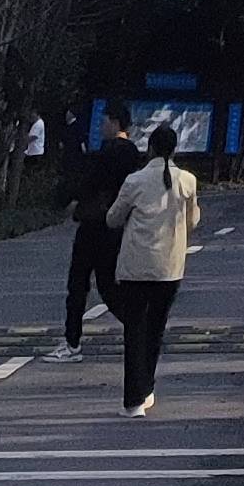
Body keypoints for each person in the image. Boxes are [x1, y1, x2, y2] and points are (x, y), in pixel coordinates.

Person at [105, 119, 200, 414]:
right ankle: (147, 388)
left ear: (151, 149)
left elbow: (113, 218)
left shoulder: (135, 181)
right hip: (170, 268)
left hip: (136, 267)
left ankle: (134, 399)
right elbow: (193, 220)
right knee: (156, 329)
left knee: (134, 330)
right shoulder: (187, 180)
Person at [61, 103, 138, 354]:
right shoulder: (133, 153)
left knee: (78, 282)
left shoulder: (109, 151)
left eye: (104, 122)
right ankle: (139, 328)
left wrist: (73, 199)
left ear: (115, 123)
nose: (101, 127)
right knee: (107, 284)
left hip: (94, 223)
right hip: (116, 224)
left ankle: (72, 341)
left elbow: (91, 181)